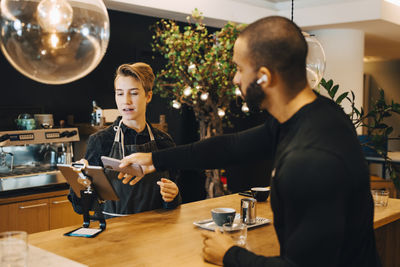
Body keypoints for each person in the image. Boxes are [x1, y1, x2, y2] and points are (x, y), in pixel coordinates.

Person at [118, 17, 380, 266]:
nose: (235, 79)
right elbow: (231, 147)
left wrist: (229, 254)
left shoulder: (310, 159)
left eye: (240, 69)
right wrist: (155, 159)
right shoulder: (317, 114)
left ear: (265, 76)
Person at [68, 62, 181, 218]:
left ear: (148, 96)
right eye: (120, 93)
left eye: (133, 93)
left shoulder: (164, 141)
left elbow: (172, 201)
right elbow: (81, 207)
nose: (125, 101)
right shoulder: (100, 141)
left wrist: (173, 196)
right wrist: (79, 179)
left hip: (154, 231)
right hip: (113, 234)